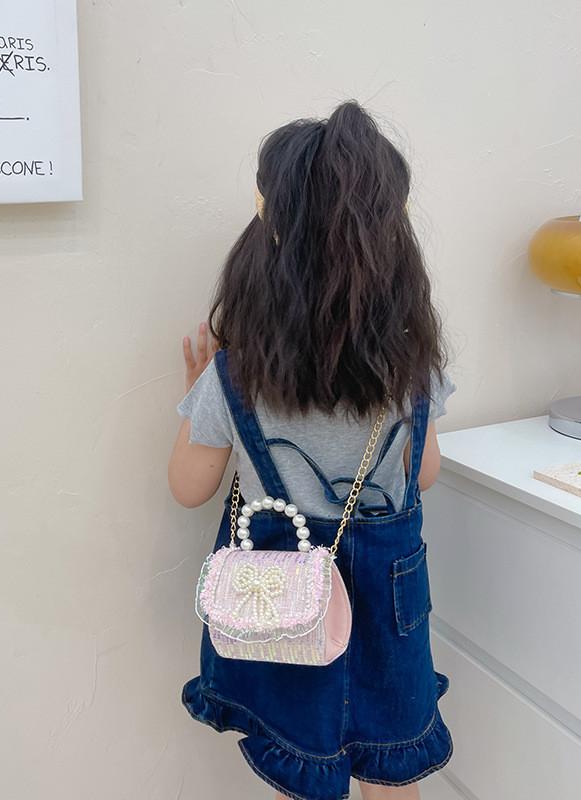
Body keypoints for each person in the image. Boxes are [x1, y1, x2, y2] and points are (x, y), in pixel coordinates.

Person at [168, 101, 455, 800]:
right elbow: (425, 473)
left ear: (265, 241)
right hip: (390, 600)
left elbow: (188, 486)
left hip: (282, 602)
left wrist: (197, 394)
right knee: (392, 764)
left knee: (300, 764)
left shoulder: (234, 376)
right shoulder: (412, 369)